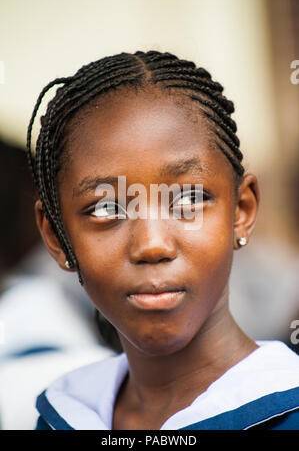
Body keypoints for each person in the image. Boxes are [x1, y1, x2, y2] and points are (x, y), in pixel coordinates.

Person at [26, 50, 299, 430]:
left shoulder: (287, 409)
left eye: (189, 199)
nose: (152, 245)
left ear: (241, 211)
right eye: (106, 209)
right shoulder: (62, 414)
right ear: (56, 237)